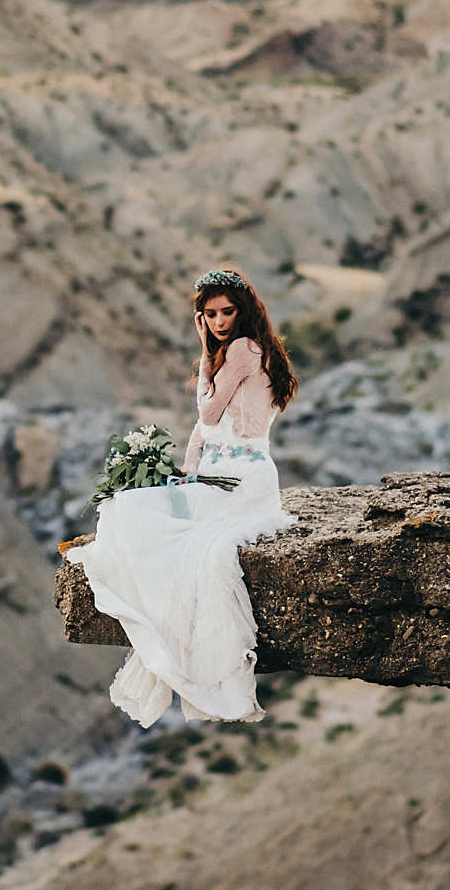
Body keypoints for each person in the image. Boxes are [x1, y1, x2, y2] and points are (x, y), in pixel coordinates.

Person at [66, 267, 299, 726]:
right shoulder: (243, 351)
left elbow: (209, 415)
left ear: (245, 310)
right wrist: (189, 472)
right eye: (208, 314)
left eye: (226, 311)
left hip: (240, 478)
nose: (217, 321)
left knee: (131, 513)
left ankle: (165, 641)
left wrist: (203, 353)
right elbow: (203, 432)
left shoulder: (242, 350)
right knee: (133, 507)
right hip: (227, 474)